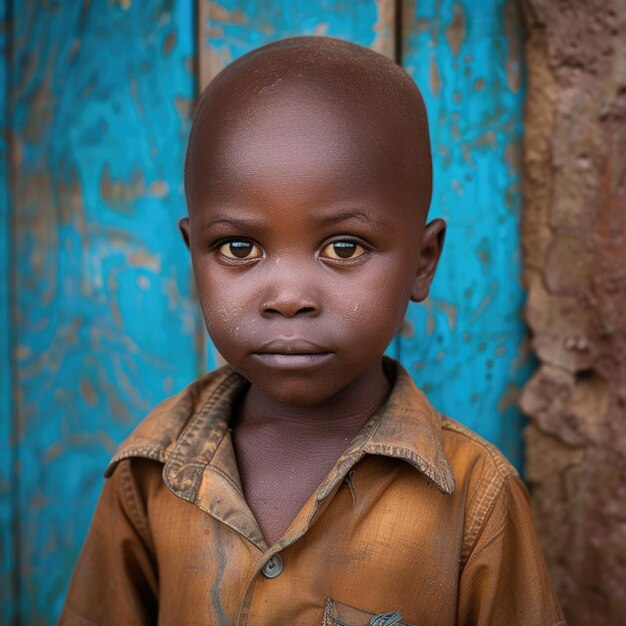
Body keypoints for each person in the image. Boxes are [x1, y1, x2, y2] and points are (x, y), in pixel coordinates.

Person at [60, 36, 565, 626]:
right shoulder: (150, 475)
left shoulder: (476, 500)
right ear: (193, 253)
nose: (289, 298)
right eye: (239, 247)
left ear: (422, 262)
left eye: (344, 247)